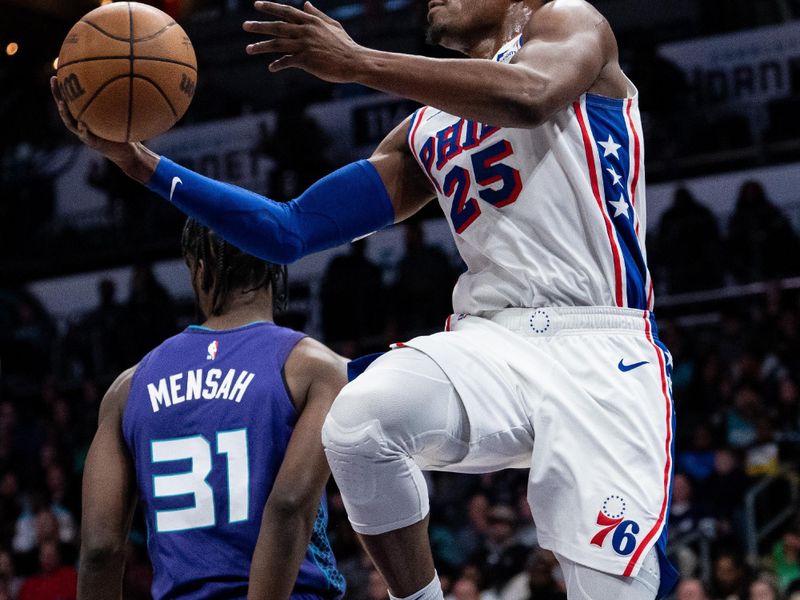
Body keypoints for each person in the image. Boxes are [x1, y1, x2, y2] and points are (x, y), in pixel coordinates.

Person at [51, 0, 678, 598]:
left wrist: (357, 63)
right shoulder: (425, 130)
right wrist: (148, 169)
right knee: (357, 421)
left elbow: (532, 96)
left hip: (600, 343)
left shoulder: (570, 22)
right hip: (495, 340)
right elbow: (288, 230)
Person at [76, 218, 347, 599]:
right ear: (276, 263)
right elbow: (288, 506)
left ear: (199, 270)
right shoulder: (317, 368)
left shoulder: (127, 387)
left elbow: (100, 549)